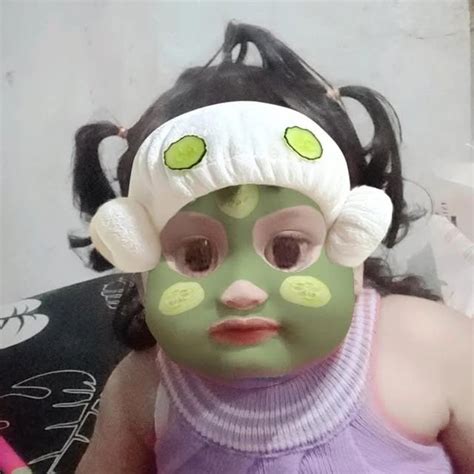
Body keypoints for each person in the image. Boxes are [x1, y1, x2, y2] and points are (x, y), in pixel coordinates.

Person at [72, 22, 473, 473]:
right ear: (141, 272)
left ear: (353, 245)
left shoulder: (428, 347)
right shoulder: (143, 388)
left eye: (287, 251)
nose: (242, 290)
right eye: (196, 257)